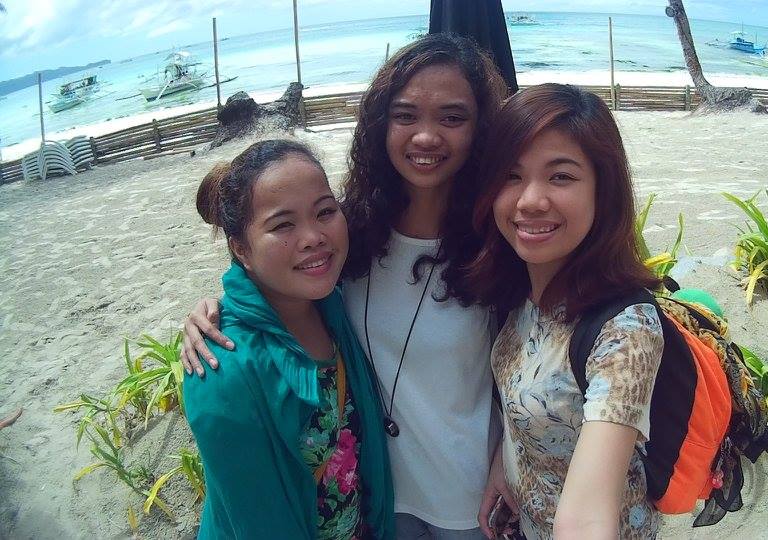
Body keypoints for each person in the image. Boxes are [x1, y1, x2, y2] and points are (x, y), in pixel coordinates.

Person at [179, 35, 515, 539]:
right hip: (379, 499)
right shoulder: (352, 236)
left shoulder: (498, 242)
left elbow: (532, 359)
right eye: (405, 115)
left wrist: (506, 456)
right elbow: (278, 271)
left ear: (480, 127)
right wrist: (218, 310)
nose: (426, 136)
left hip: (465, 499)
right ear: (381, 124)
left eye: (452, 117)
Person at [466, 84, 664, 539]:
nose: (530, 200)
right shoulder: (522, 291)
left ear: (602, 191)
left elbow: (588, 517)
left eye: (560, 177)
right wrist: (504, 465)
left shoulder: (625, 331)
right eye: (511, 176)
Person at [183, 140, 393, 539]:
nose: (313, 237)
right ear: (241, 249)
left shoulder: (336, 305)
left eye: (325, 212)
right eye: (283, 225)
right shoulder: (221, 369)